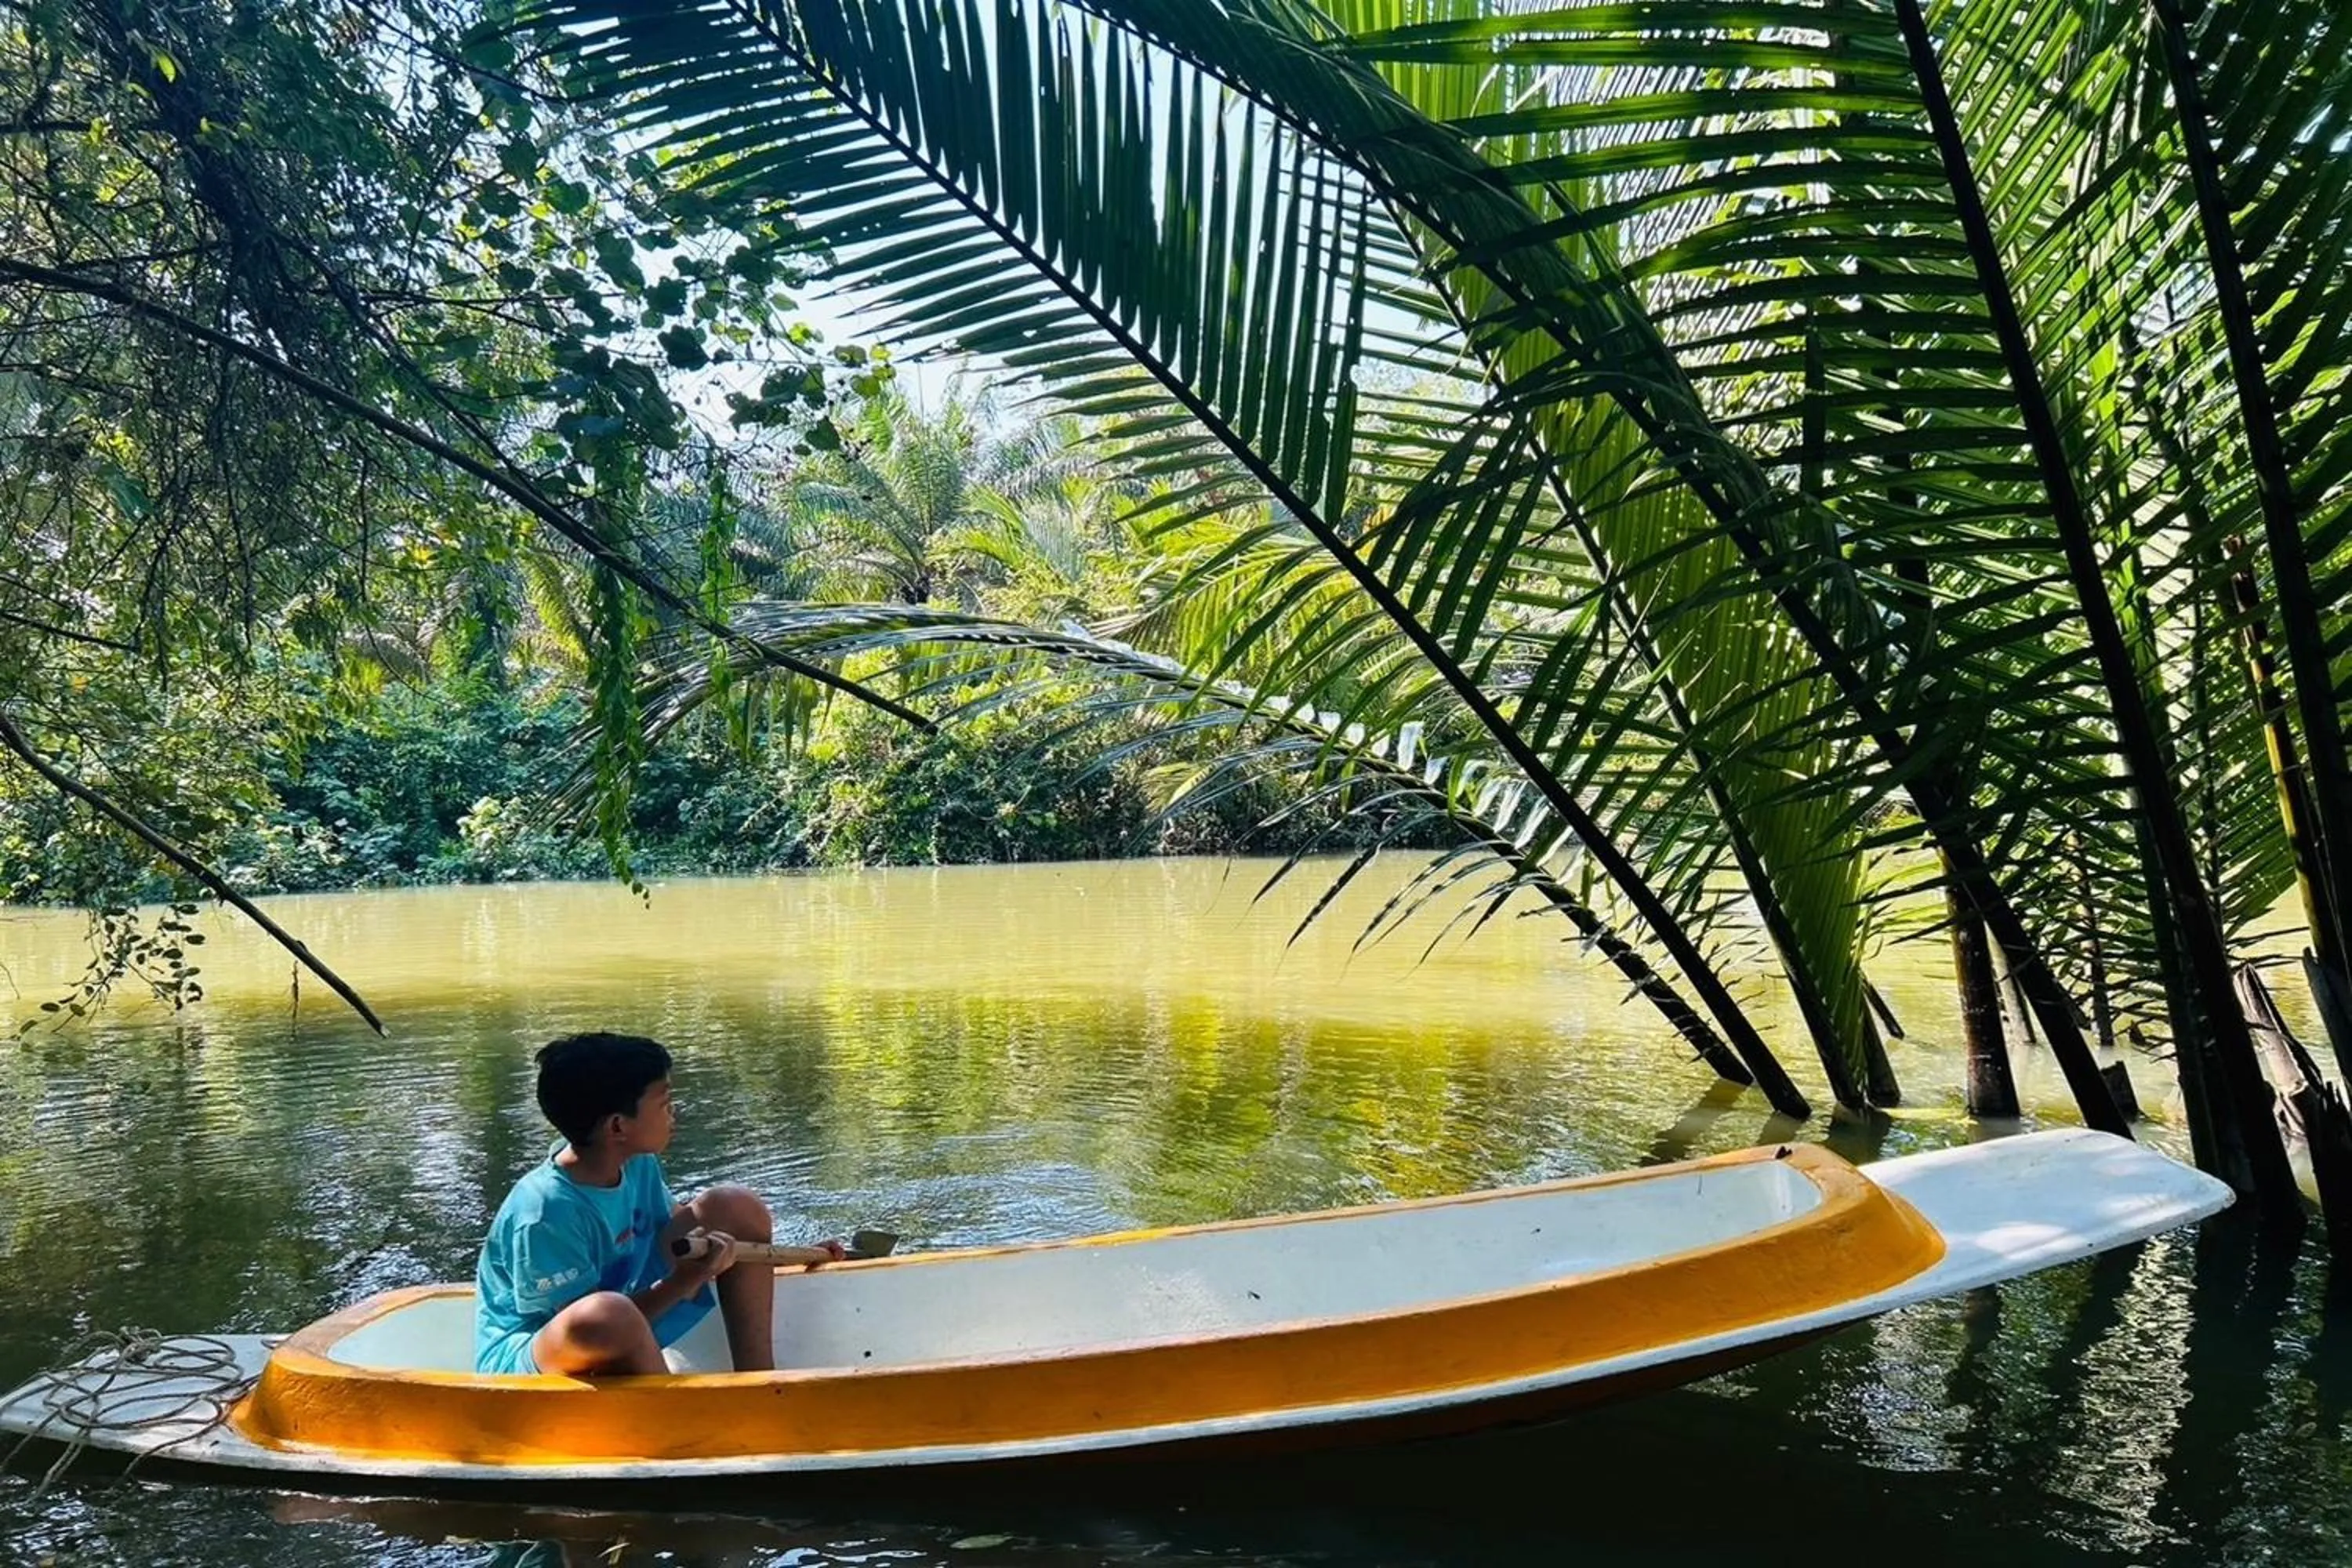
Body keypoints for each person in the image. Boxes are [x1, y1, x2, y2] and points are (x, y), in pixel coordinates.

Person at [473, 1032, 842, 1377]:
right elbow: (591, 1326)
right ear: (618, 1127)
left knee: (735, 1207)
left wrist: (793, 1254)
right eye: (664, 1103)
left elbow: (681, 1224)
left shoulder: (635, 1162)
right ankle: (672, 1421)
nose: (674, 1113)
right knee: (609, 1313)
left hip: (623, 1309)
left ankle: (760, 1380)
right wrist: (687, 1279)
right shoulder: (545, 1212)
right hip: (540, 1359)